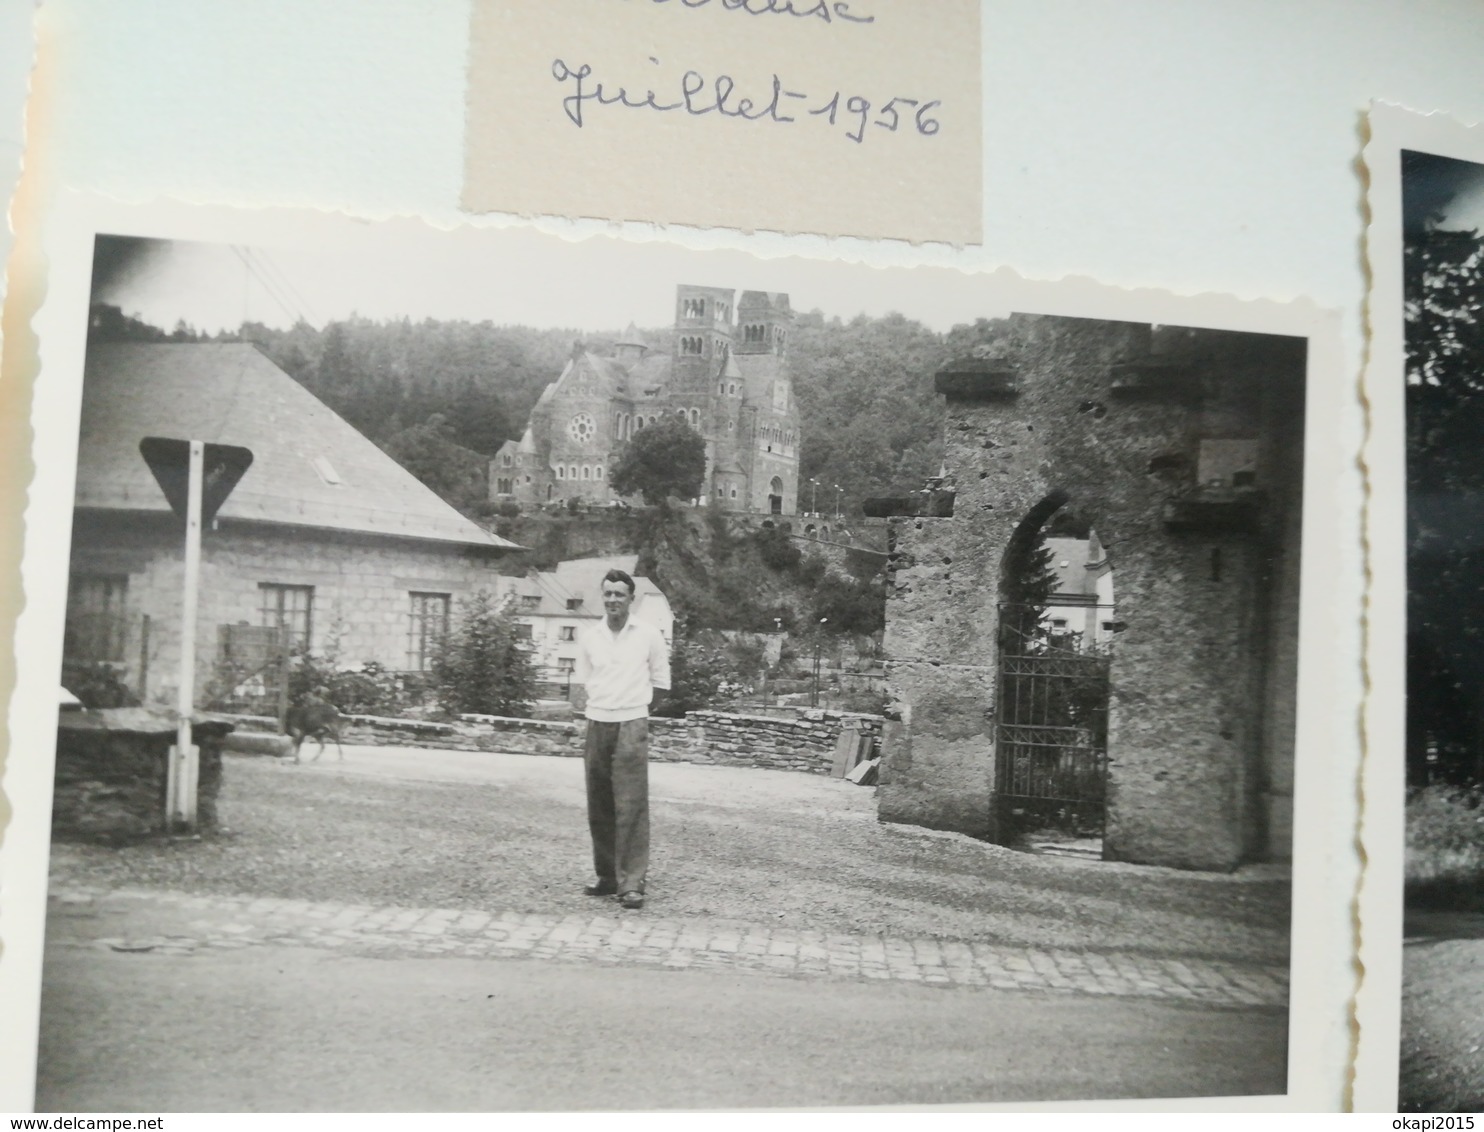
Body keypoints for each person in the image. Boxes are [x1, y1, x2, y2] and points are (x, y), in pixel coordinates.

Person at [572, 568, 671, 910]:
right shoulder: (590, 636)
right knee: (598, 805)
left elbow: (660, 684)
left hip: (631, 723)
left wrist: (635, 711)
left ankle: (631, 884)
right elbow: (583, 682)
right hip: (597, 723)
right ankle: (607, 877)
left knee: (630, 805)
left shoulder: (648, 635)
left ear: (631, 598)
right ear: (604, 597)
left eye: (620, 594)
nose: (613, 600)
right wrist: (600, 711)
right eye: (608, 594)